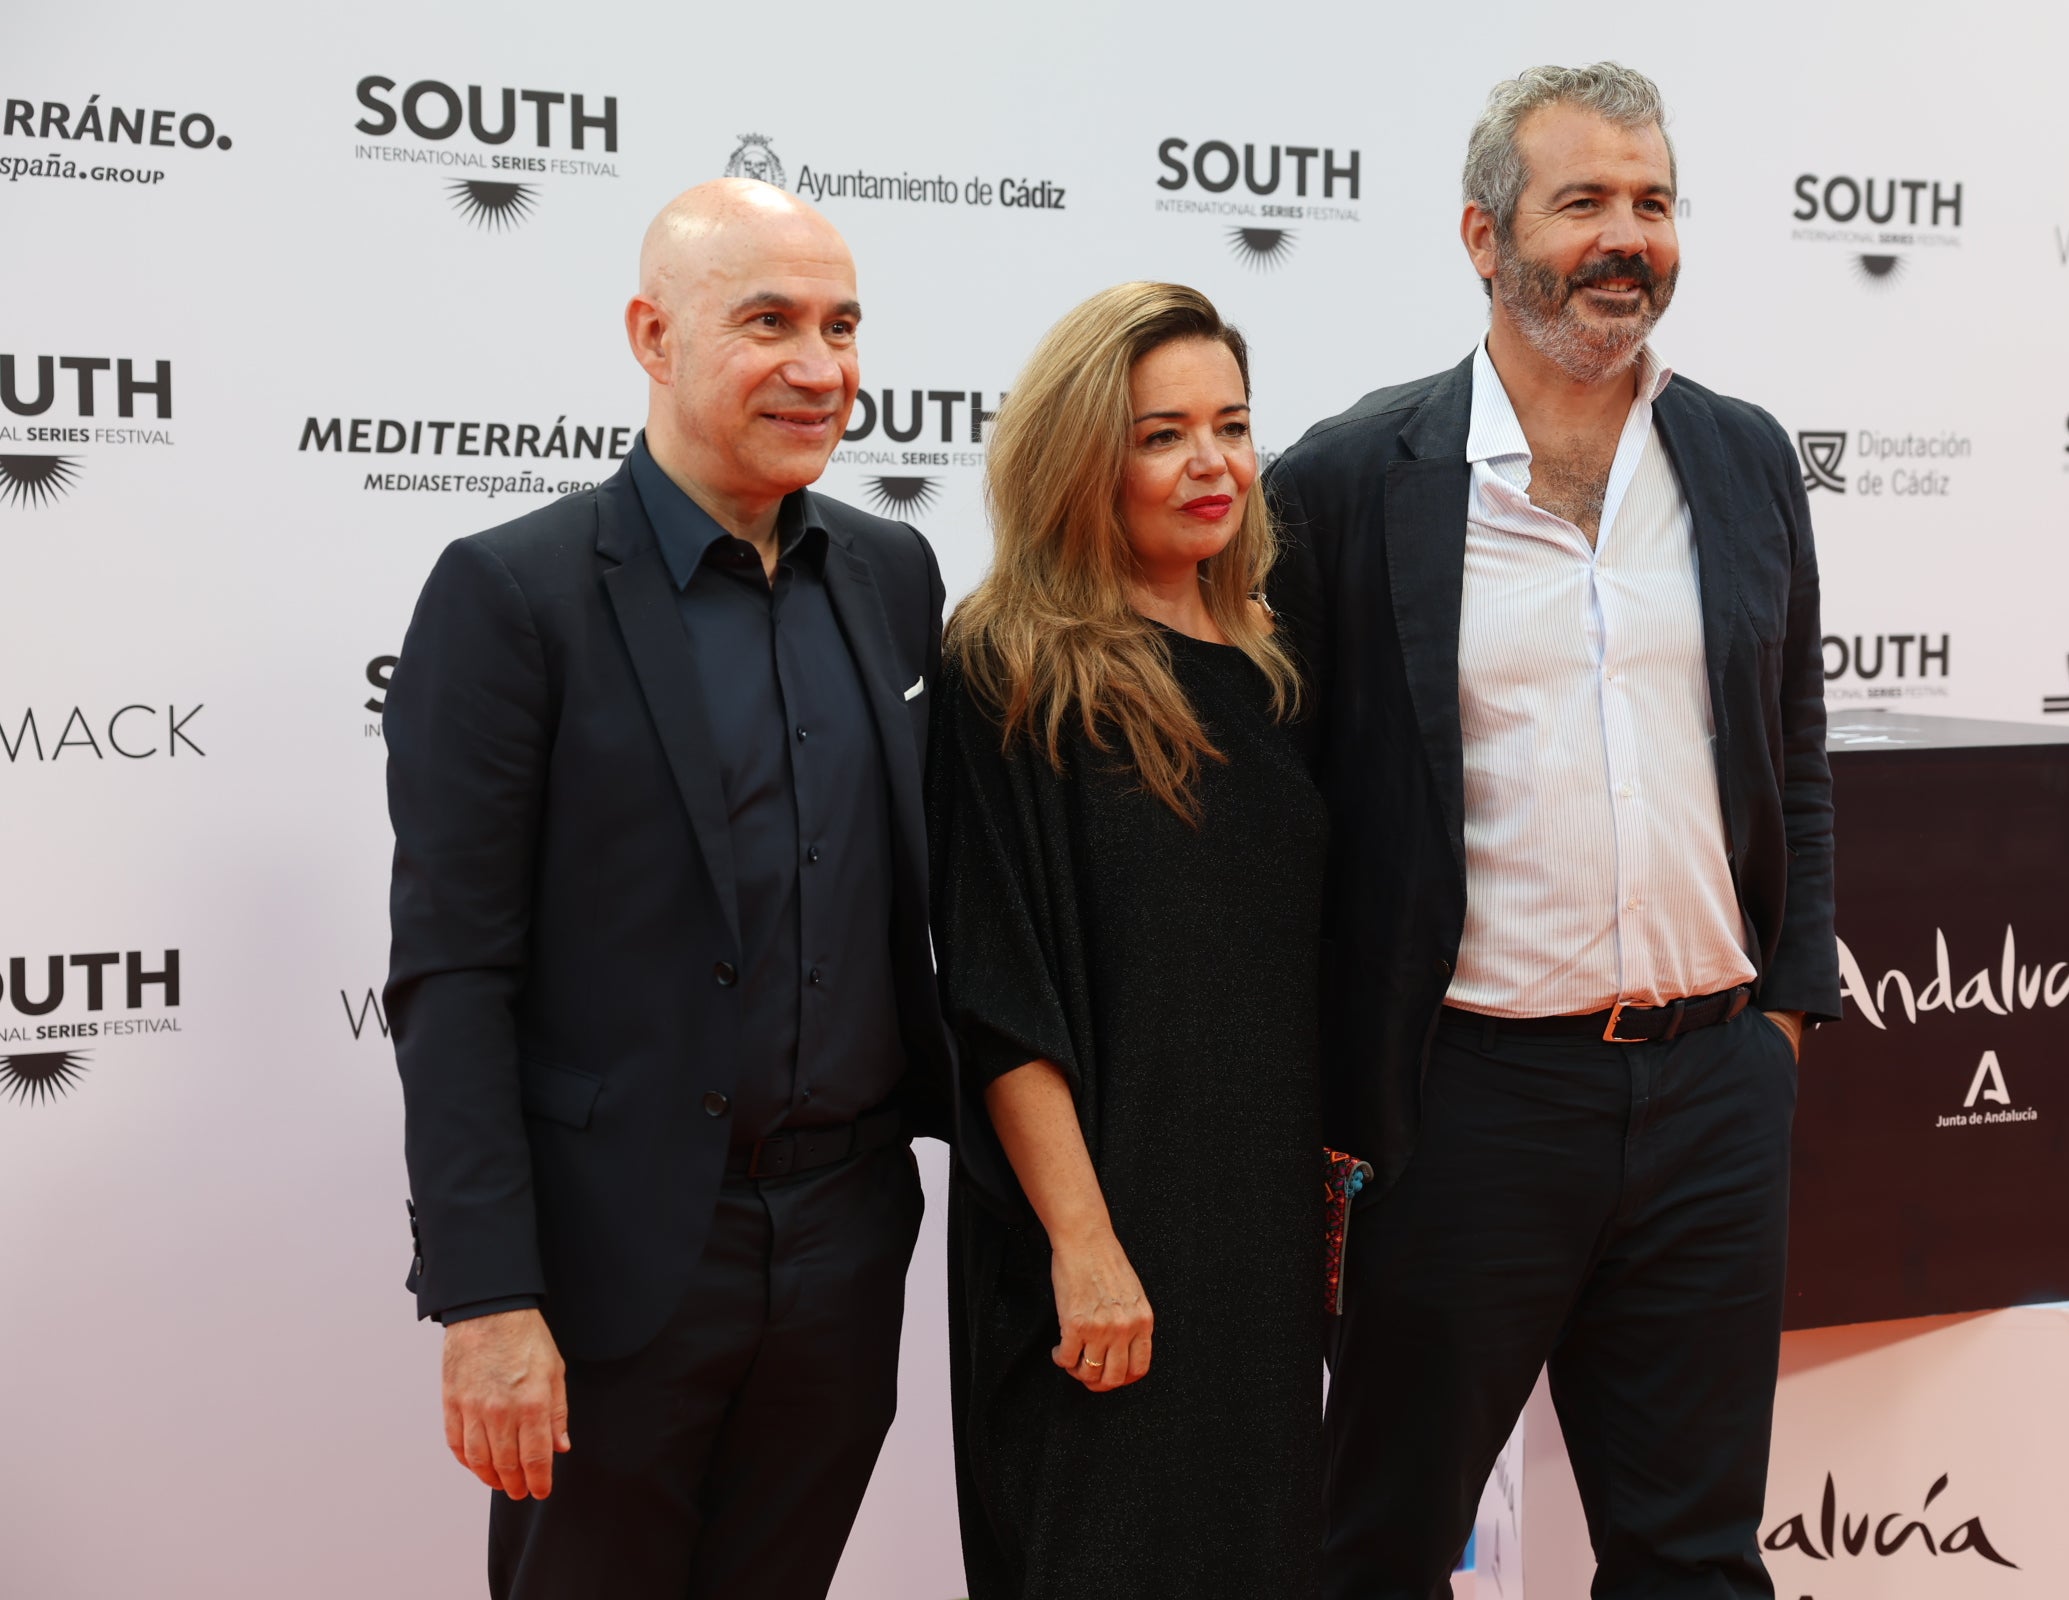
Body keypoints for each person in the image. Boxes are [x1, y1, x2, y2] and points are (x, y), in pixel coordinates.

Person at [1265, 64, 1841, 1598]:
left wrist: (1778, 1020)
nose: (1625, 238)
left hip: (1715, 1094)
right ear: (1483, 234)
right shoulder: (1346, 483)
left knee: (1696, 1557)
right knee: (1378, 1544)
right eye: (1582, 200)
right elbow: (1287, 818)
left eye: (1652, 202)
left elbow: (1794, 745)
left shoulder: (1742, 455)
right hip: (1466, 1109)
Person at [382, 178, 950, 1599]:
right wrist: (489, 1297)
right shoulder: (514, 594)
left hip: (846, 1239)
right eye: (769, 322)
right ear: (653, 334)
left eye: (841, 324)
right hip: (620, 1260)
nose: (820, 368)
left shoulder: (891, 571)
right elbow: (452, 971)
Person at [931, 282, 1324, 1599]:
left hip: (1260, 1244)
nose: (1210, 463)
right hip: (1094, 1240)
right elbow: (999, 994)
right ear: (1082, 457)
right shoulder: (1012, 665)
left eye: (1231, 424)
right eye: (1161, 434)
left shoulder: (1279, 663)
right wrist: (1084, 1250)